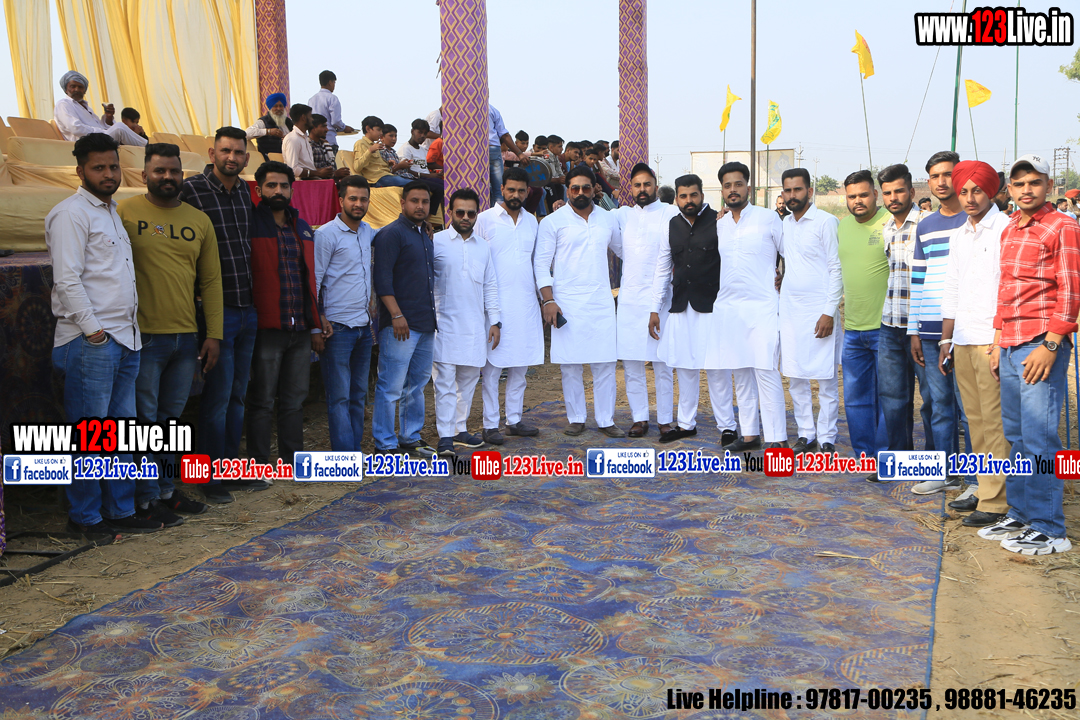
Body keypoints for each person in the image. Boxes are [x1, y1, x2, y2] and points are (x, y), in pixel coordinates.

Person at [47, 133, 160, 535]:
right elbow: (67, 280)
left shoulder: (111, 212)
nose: (108, 173)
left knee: (119, 435)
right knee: (91, 438)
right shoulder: (71, 213)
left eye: (113, 166)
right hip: (92, 342)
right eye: (99, 167)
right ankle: (85, 517)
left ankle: (120, 511)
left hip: (126, 338)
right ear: (80, 171)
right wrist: (95, 333)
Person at [979, 153, 1080, 555]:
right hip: (1009, 345)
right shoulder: (1010, 229)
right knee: (1016, 435)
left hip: (1039, 344)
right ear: (1010, 189)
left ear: (1049, 186)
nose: (1026, 189)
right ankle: (1021, 514)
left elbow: (1070, 292)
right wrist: (997, 339)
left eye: (1034, 182)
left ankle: (1050, 527)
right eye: (1019, 183)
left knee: (1039, 438)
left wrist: (1051, 345)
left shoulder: (1063, 226)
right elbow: (1006, 289)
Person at [118, 143, 221, 524]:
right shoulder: (124, 213)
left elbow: (210, 281)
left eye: (174, 171)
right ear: (144, 174)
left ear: (182, 175)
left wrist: (214, 334)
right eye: (159, 171)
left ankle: (164, 490)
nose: (167, 177)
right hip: (143, 336)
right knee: (145, 423)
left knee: (170, 422)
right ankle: (146, 498)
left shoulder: (199, 220)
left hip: (186, 336)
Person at [180, 126, 262, 503]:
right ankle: (207, 476)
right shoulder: (191, 190)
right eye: (225, 151)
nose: (232, 157)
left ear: (246, 157)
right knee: (217, 397)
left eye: (238, 152)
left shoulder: (245, 192)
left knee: (237, 394)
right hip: (216, 310)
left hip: (247, 307)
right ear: (212, 153)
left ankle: (230, 469)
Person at [939, 160, 1011, 528]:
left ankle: (997, 501)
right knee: (975, 422)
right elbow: (952, 286)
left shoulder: (1006, 229)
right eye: (964, 191)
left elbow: (1008, 289)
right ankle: (984, 489)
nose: (969, 198)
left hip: (991, 340)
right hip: (964, 337)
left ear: (992, 192)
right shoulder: (959, 235)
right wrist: (946, 338)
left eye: (977, 190)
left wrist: (999, 340)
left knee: (995, 422)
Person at [535, 166, 624, 437]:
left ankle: (606, 420)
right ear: (568, 190)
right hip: (567, 303)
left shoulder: (607, 219)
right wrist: (548, 301)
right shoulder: (553, 221)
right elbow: (541, 264)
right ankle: (576, 418)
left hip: (600, 301)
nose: (580, 192)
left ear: (595, 189)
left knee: (605, 363)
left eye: (586, 187)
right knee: (570, 366)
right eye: (575, 188)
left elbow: (624, 250)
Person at [247, 161, 324, 465]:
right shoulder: (250, 224)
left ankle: (291, 461)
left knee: (294, 400)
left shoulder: (301, 226)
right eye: (271, 185)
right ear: (258, 190)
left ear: (292, 190)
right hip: (267, 327)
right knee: (263, 400)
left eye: (283, 186)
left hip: (300, 328)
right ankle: (258, 462)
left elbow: (309, 278)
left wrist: (314, 323)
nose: (278, 191)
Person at [649, 174, 733, 445]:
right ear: (676, 198)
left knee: (716, 369)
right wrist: (654, 308)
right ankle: (686, 424)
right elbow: (663, 269)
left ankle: (727, 427)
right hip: (681, 306)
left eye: (693, 195)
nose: (689, 201)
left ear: (702, 196)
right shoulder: (672, 225)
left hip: (712, 307)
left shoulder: (720, 222)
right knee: (685, 367)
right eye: (683, 196)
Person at [907, 151, 969, 496]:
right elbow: (918, 279)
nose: (942, 182)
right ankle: (944, 472)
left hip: (967, 331)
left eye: (948, 174)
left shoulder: (975, 219)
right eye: (935, 176)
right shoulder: (926, 225)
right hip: (930, 331)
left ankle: (976, 480)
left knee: (971, 409)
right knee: (939, 405)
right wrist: (914, 330)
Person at [716, 162, 788, 451]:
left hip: (763, 308)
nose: (733, 190)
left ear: (749, 187)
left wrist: (784, 277)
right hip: (729, 309)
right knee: (741, 373)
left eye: (738, 184)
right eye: (727, 185)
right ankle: (749, 435)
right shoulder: (720, 224)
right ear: (722, 190)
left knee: (766, 371)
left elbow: (789, 253)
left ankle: (777, 438)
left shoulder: (768, 218)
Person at [475, 168, 543, 444]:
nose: (516, 195)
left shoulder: (532, 222)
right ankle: (490, 424)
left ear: (527, 192)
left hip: (525, 304)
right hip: (495, 305)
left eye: (521, 191)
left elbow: (536, 263)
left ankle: (513, 420)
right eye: (511, 190)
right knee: (492, 369)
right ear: (502, 189)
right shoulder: (484, 219)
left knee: (520, 365)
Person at [432, 189, 501, 456]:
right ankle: (445, 436)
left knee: (469, 380)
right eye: (460, 212)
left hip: (474, 326)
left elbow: (490, 285)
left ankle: (459, 429)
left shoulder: (483, 246)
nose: (465, 217)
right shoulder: (436, 241)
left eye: (471, 213)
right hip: (443, 326)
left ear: (476, 215)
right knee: (445, 384)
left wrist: (495, 321)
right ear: (450, 212)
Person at [778, 168, 842, 455]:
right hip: (791, 311)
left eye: (798, 190)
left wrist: (829, 311)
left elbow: (836, 268)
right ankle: (806, 434)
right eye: (788, 190)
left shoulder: (826, 222)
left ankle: (827, 437)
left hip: (820, 313)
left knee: (826, 379)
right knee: (796, 376)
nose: (792, 195)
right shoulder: (786, 224)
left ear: (810, 191)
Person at [373, 181, 438, 455]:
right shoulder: (391, 234)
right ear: (402, 203)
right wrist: (396, 314)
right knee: (390, 386)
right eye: (414, 201)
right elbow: (382, 279)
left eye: (425, 202)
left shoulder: (424, 234)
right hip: (399, 324)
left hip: (425, 323)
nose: (420, 206)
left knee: (416, 385)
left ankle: (410, 436)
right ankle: (385, 443)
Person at [616, 163, 679, 438]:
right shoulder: (622, 215)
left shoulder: (670, 212)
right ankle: (639, 418)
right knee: (632, 363)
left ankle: (665, 419)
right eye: (637, 185)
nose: (642, 189)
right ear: (630, 188)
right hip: (629, 299)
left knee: (662, 363)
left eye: (647, 184)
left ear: (655, 185)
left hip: (662, 299)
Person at [315, 176, 375, 451]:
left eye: (363, 199)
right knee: (338, 397)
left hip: (363, 327)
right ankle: (344, 455)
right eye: (353, 198)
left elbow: (390, 234)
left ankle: (355, 450)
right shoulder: (326, 235)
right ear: (341, 200)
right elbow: (315, 280)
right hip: (336, 328)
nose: (358, 204)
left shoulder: (368, 231)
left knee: (358, 395)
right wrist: (319, 319)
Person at [878, 163, 934, 460]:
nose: (893, 197)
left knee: (931, 399)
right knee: (893, 399)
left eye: (899, 191)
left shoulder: (928, 223)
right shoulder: (886, 228)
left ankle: (934, 463)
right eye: (887, 193)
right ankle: (900, 459)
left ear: (912, 192)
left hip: (924, 327)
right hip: (890, 325)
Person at [837, 170, 889, 476]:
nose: (858, 201)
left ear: (876, 195)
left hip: (886, 329)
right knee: (855, 399)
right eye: (852, 196)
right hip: (853, 329)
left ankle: (884, 457)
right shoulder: (842, 226)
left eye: (864, 195)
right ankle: (864, 456)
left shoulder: (890, 223)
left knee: (887, 397)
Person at [53, 71, 147, 147]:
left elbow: (101, 127)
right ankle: (148, 147)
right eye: (73, 86)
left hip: (97, 139)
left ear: (84, 91)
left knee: (119, 127)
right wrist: (103, 132)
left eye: (80, 87)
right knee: (119, 127)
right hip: (84, 143)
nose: (77, 89)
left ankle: (146, 147)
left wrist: (108, 117)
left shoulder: (87, 108)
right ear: (66, 89)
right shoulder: (63, 104)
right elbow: (76, 128)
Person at [351, 116, 410, 188]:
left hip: (386, 175)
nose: (381, 133)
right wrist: (370, 150)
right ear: (368, 129)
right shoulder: (361, 143)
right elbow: (357, 167)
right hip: (377, 179)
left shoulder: (375, 145)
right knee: (412, 184)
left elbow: (376, 165)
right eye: (378, 130)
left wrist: (388, 164)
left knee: (416, 184)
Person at [282, 104, 333, 181]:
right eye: (310, 116)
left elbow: (308, 167)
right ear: (303, 117)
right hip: (301, 182)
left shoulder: (304, 138)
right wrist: (318, 173)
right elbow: (293, 169)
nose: (312, 120)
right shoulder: (293, 138)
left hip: (312, 180)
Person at [402, 119, 444, 212]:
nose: (422, 136)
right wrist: (429, 176)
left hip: (426, 177)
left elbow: (425, 166)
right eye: (420, 132)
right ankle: (429, 216)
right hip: (416, 178)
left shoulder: (422, 149)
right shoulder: (406, 149)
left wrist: (437, 172)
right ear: (412, 131)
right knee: (440, 188)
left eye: (425, 134)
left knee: (446, 184)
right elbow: (406, 170)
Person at [308, 70, 355, 153]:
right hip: (329, 139)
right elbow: (335, 121)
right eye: (334, 83)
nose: (334, 85)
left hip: (314, 140)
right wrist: (344, 127)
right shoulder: (332, 98)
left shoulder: (311, 99)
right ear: (330, 82)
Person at [489, 104, 524, 204]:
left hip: (473, 149)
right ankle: (499, 213)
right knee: (498, 190)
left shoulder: (464, 106)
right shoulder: (492, 110)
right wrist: (519, 154)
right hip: (492, 148)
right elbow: (504, 135)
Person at [246, 93, 292, 160]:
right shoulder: (263, 121)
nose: (278, 108)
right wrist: (268, 131)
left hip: (288, 159)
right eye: (275, 106)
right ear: (270, 107)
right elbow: (247, 133)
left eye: (281, 106)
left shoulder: (288, 122)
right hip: (268, 160)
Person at [309, 114, 351, 181]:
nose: (327, 129)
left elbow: (330, 167)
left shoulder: (325, 144)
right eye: (323, 126)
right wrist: (334, 174)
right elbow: (307, 169)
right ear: (314, 128)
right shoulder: (307, 145)